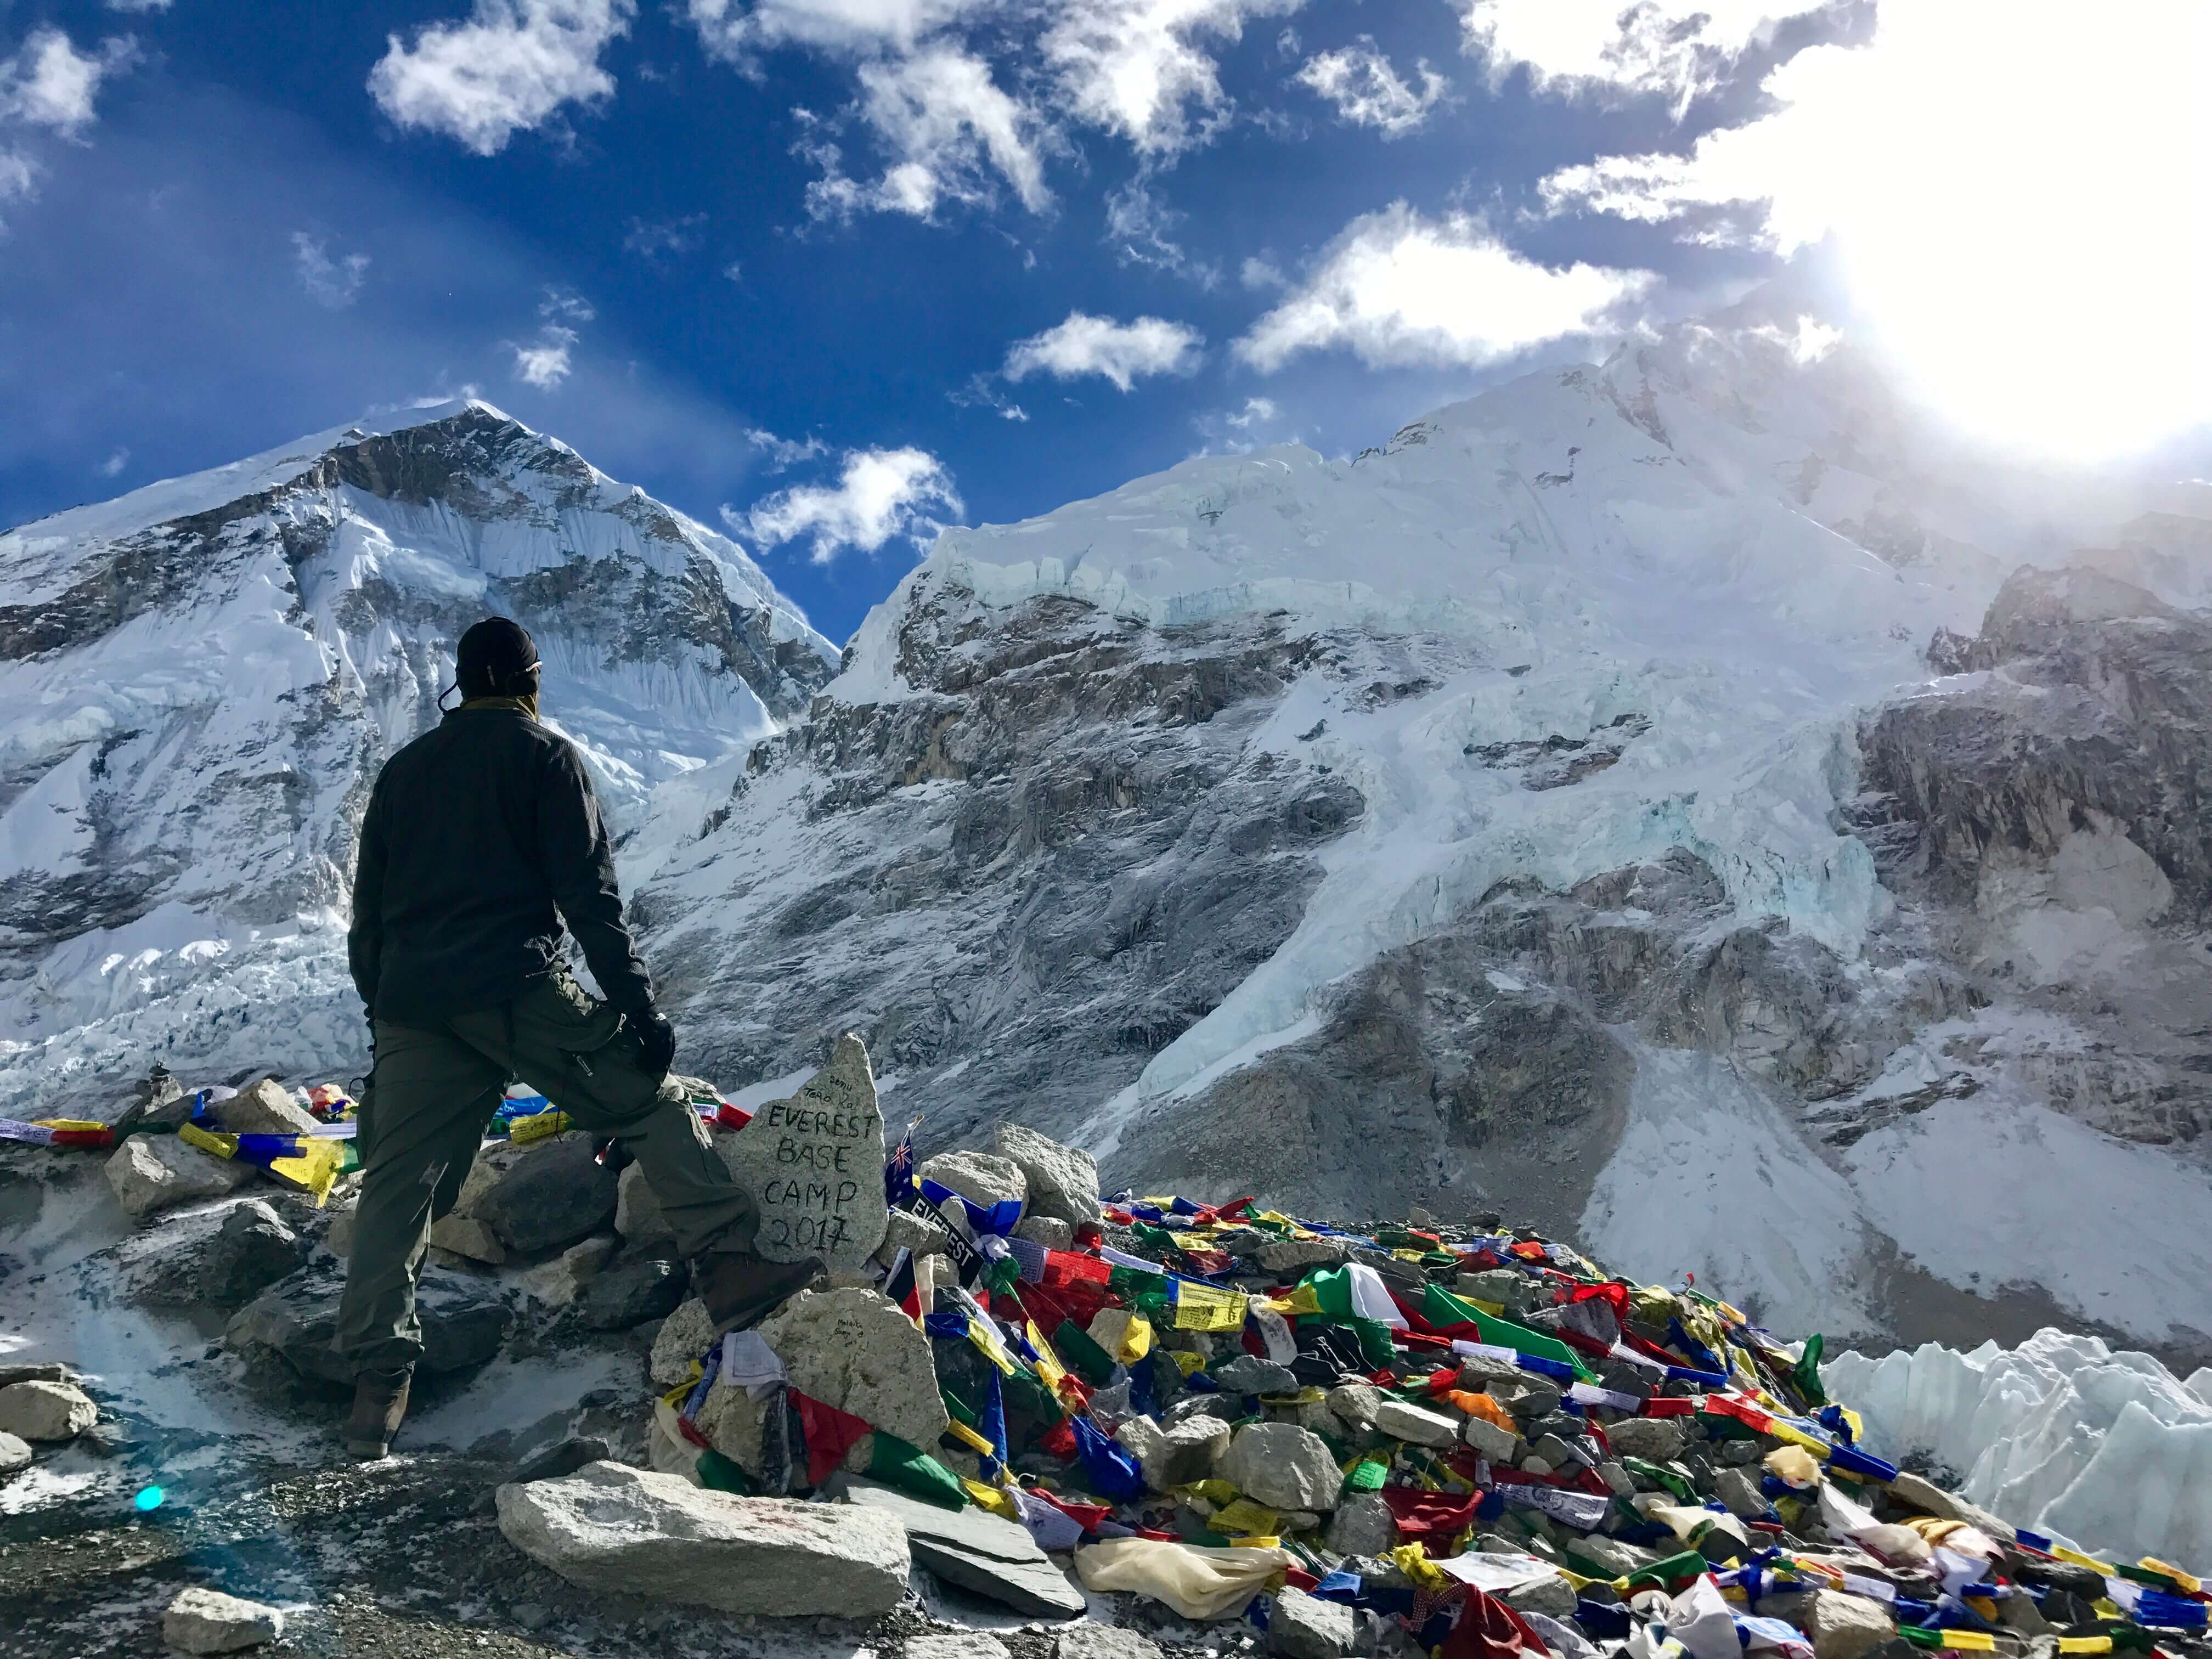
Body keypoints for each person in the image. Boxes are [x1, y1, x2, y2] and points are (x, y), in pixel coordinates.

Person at [334, 617, 819, 1460]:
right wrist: (640, 1011)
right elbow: (590, 903)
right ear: (531, 679)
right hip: (515, 986)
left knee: (398, 1187)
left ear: (460, 682)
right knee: (650, 1101)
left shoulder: (404, 773)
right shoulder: (545, 757)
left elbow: (365, 921)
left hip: (414, 1005)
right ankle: (730, 1265)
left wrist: (390, 1015)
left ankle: (378, 1385)